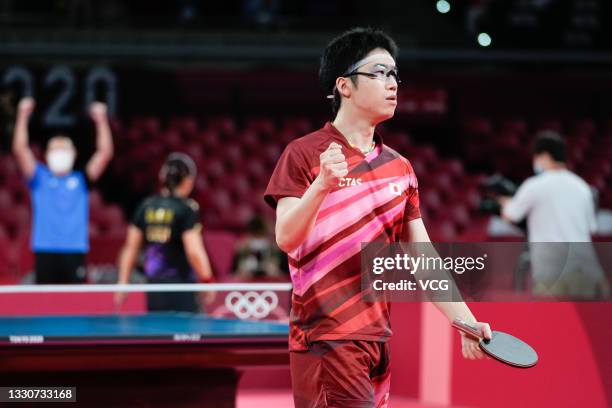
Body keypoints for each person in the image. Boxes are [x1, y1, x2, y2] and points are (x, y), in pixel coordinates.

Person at [264, 27, 492, 408]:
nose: (392, 84)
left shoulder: (399, 168)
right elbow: (286, 237)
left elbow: (422, 256)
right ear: (344, 86)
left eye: (394, 75)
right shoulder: (304, 154)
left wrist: (464, 320)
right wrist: (322, 185)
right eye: (379, 73)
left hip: (377, 339)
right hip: (326, 337)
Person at [12, 97, 113, 283]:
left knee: (75, 304)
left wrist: (101, 120)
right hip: (45, 250)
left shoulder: (81, 179)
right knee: (45, 304)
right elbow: (20, 149)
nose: (60, 153)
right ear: (47, 155)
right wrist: (22, 116)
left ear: (74, 154)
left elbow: (104, 153)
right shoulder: (39, 178)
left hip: (74, 250)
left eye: (64, 148)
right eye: (55, 149)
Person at [500, 131, 610, 298]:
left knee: (554, 323)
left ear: (543, 156)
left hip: (552, 271)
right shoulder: (582, 187)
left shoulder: (534, 185)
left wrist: (505, 203)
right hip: (587, 268)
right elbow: (591, 228)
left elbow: (510, 215)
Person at [115, 153, 214, 313]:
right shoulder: (187, 208)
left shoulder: (145, 206)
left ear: (163, 177)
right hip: (181, 286)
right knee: (187, 336)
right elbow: (194, 251)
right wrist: (207, 280)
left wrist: (123, 281)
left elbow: (130, 248)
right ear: (188, 181)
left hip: (154, 285)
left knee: (159, 332)